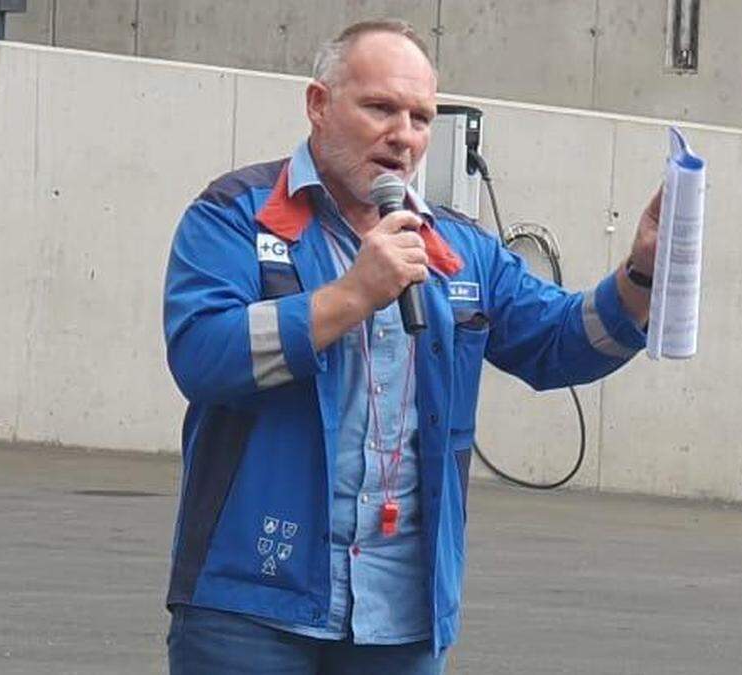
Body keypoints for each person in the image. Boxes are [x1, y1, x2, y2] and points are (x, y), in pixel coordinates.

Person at [162, 18, 660, 674]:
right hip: (251, 599)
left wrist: (642, 274)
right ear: (318, 105)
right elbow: (201, 352)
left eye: (421, 117)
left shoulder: (457, 250)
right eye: (380, 108)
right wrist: (349, 296)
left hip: (400, 614)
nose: (404, 134)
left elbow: (562, 342)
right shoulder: (235, 213)